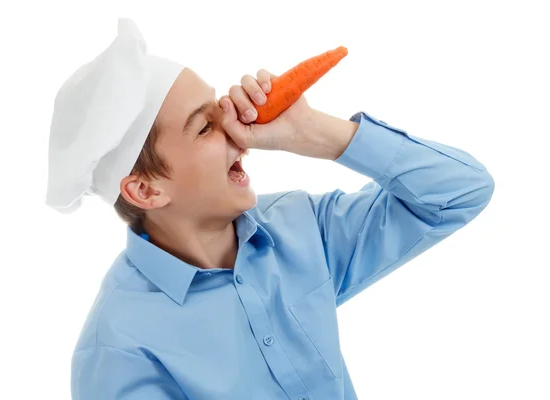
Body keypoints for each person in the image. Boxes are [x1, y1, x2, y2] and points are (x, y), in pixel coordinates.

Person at [47, 19, 495, 400]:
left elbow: (460, 191)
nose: (237, 128)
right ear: (145, 190)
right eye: (205, 126)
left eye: (222, 108)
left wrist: (311, 133)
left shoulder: (300, 228)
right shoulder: (119, 347)